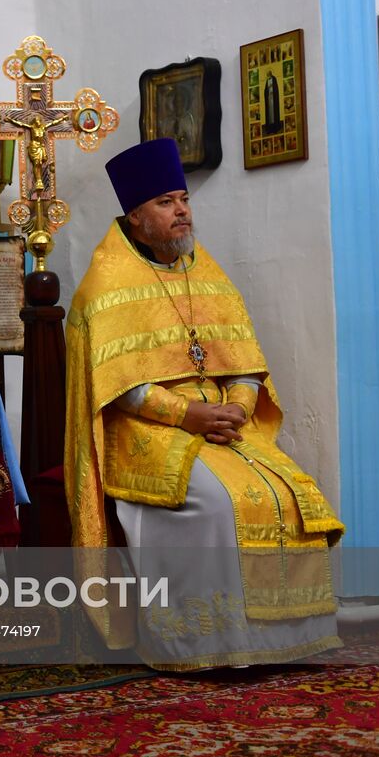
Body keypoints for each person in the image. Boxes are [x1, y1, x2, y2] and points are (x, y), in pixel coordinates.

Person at [64, 137, 344, 670]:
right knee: (218, 504)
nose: (182, 211)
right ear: (136, 215)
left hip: (223, 422)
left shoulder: (206, 272)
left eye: (184, 199)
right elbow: (117, 385)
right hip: (145, 426)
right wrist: (188, 415)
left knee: (292, 492)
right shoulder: (104, 284)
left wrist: (237, 407)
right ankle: (208, 644)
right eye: (166, 202)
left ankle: (283, 642)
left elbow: (244, 360)